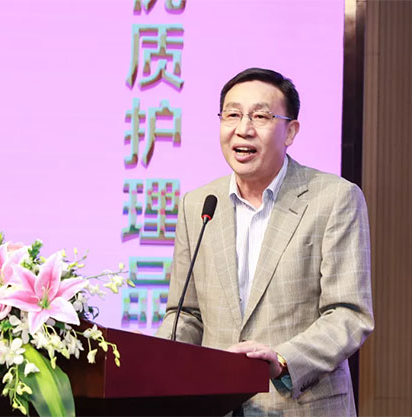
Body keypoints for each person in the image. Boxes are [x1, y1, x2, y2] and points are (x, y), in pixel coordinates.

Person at [156, 68, 374, 416]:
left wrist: (284, 359)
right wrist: (157, 362)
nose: (243, 128)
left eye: (260, 116)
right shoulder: (198, 205)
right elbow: (187, 313)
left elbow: (349, 314)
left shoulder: (334, 199)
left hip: (300, 407)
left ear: (290, 131)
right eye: (232, 115)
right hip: (217, 406)